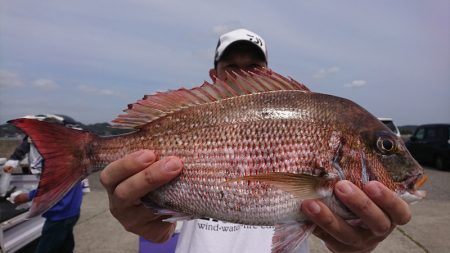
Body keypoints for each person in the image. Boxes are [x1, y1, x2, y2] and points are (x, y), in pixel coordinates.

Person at [99, 29, 412, 253]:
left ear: (267, 72)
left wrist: (354, 245)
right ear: (214, 73)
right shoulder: (195, 114)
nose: (243, 76)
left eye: (253, 68)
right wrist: (145, 222)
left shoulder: (316, 113)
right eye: (232, 68)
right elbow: (160, 234)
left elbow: (321, 226)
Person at [8, 114, 89, 253]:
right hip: (72, 212)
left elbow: (52, 187)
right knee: (65, 245)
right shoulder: (72, 154)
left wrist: (27, 196)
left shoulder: (56, 159)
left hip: (58, 215)